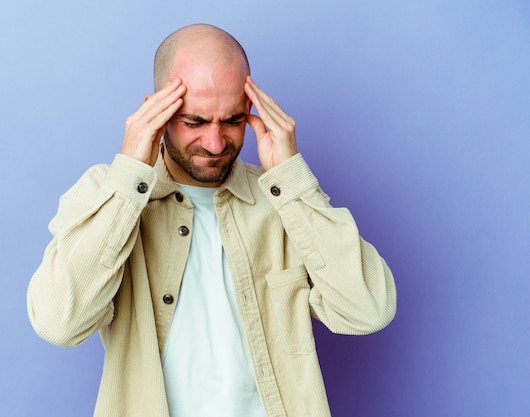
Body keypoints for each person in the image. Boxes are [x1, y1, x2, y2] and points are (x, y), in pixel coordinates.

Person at [27, 23, 396, 417]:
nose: (216, 143)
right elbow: (60, 324)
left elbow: (368, 311)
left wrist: (293, 182)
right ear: (157, 112)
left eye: (233, 120)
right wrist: (130, 173)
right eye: (195, 122)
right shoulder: (107, 194)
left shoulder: (282, 200)